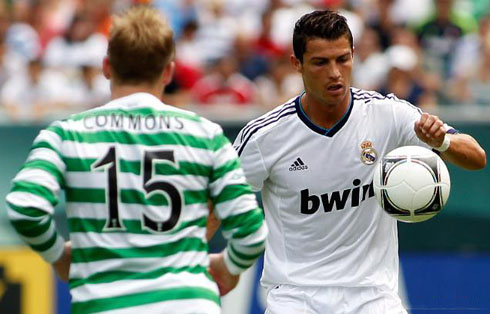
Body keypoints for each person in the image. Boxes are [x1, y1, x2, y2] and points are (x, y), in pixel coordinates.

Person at [5, 6, 267, 314]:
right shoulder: (206, 135)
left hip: (104, 305)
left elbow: (25, 206)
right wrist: (228, 266)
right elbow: (250, 232)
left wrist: (58, 257)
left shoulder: (66, 135)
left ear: (106, 66)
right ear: (168, 71)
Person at [233, 10, 486, 314]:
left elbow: (477, 157)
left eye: (342, 59)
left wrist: (441, 141)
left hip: (373, 296)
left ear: (354, 54)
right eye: (320, 62)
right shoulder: (265, 137)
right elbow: (216, 201)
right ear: (296, 64)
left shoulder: (387, 114)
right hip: (296, 298)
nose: (335, 72)